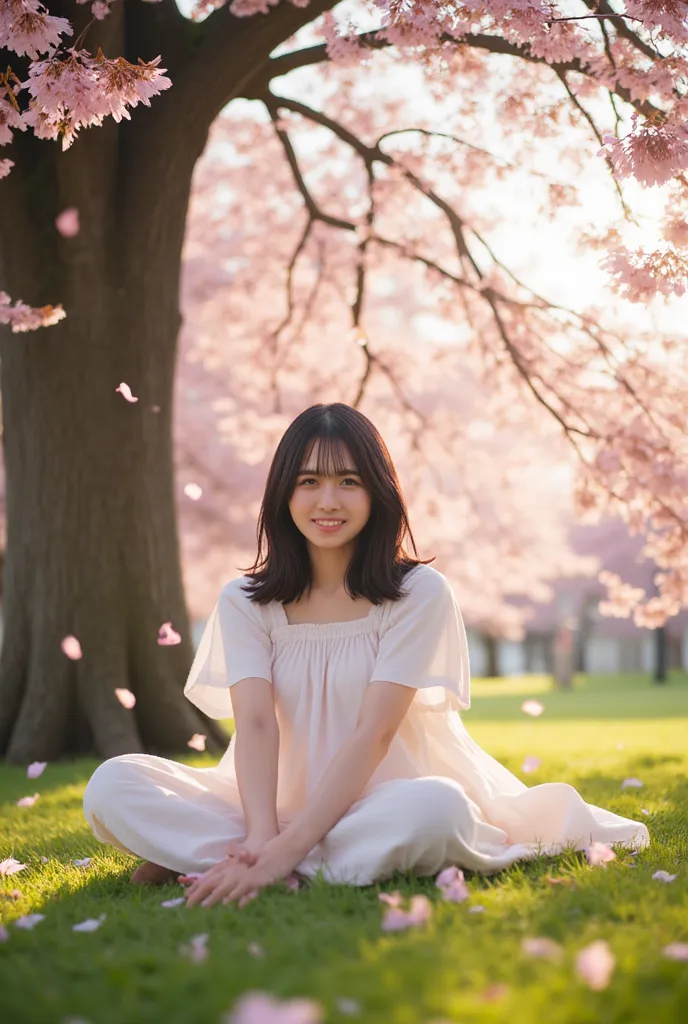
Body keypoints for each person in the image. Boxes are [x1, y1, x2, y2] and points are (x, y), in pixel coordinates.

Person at [83, 403, 650, 908]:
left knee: (437, 811)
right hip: (264, 806)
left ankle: (232, 860)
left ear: (378, 492)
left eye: (348, 481)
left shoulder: (418, 593)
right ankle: (266, 858)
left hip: (383, 801)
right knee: (113, 784)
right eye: (309, 481)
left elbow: (373, 734)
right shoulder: (245, 601)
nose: (327, 501)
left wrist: (286, 850)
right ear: (283, 492)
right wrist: (261, 837)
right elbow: (254, 725)